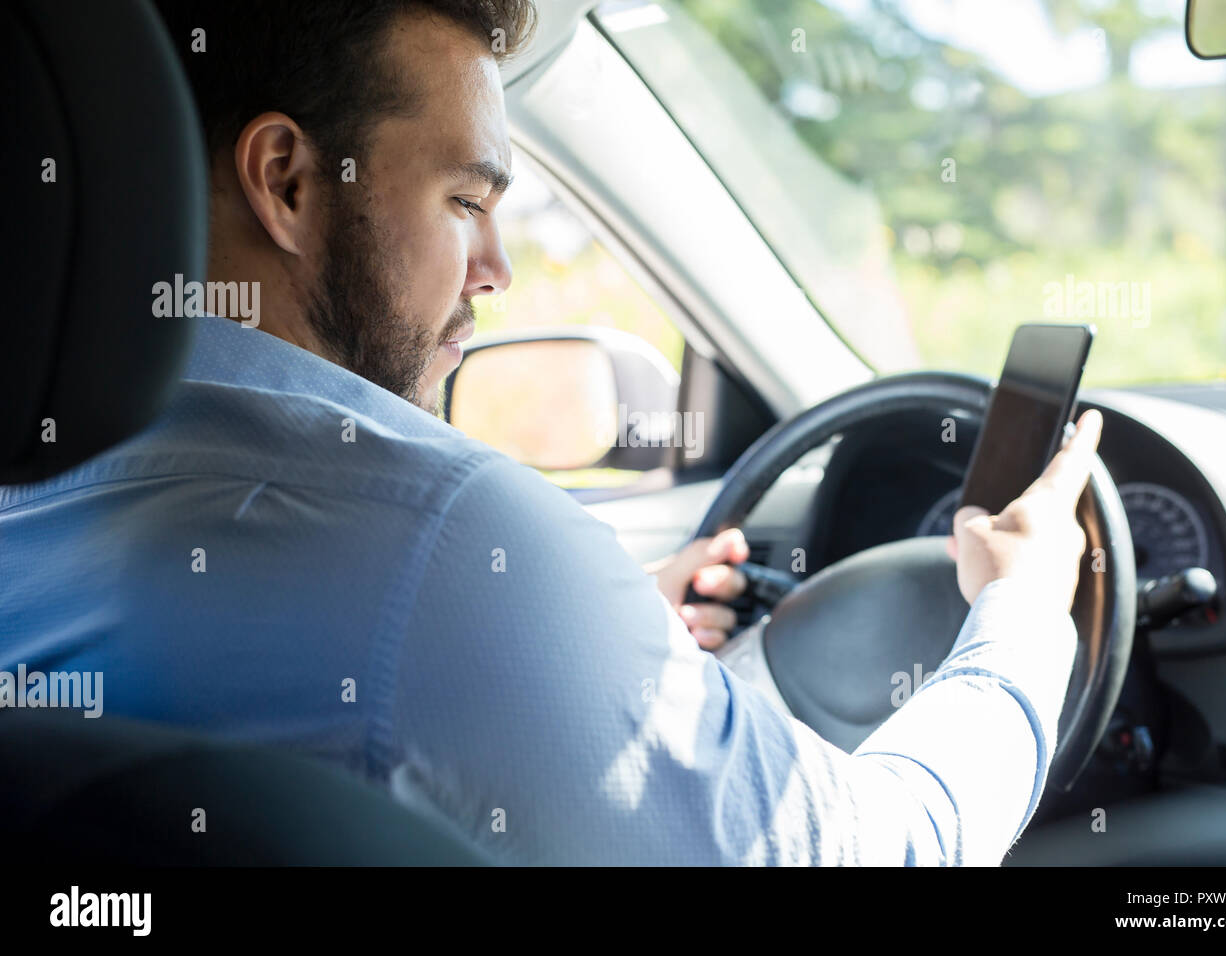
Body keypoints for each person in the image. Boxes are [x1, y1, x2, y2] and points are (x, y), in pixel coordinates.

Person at [0, 0, 1101, 864]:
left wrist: (585, 640)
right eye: (465, 202)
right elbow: (876, 849)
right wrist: (1023, 613)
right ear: (287, 180)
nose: (498, 269)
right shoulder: (435, 546)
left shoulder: (33, 498)